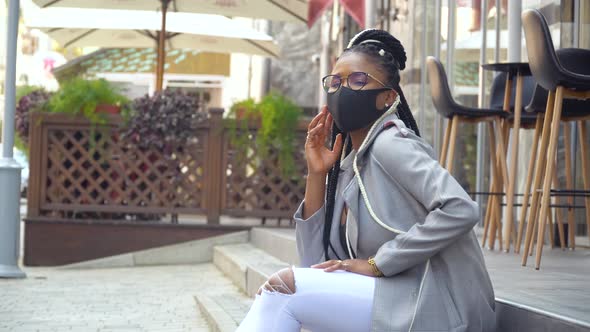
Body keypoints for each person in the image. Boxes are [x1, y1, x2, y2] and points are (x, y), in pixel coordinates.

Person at [236, 28, 496, 332]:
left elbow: (460, 208)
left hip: (437, 304)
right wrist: (317, 174)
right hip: (396, 299)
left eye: (357, 80)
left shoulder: (392, 144)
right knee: (282, 291)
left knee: (282, 289)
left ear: (387, 97)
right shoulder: (349, 166)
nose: (341, 89)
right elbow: (314, 264)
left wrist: (377, 263)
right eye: (335, 81)